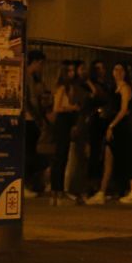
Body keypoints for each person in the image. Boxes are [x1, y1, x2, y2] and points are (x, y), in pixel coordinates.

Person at [88, 62, 132, 204]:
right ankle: (102, 192)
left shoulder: (124, 88)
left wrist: (112, 125)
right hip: (115, 126)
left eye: (120, 69)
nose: (117, 72)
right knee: (108, 159)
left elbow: (123, 109)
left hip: (121, 127)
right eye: (115, 69)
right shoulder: (114, 88)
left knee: (125, 158)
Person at [49, 60, 84, 203]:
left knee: (63, 157)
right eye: (69, 71)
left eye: (73, 70)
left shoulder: (70, 87)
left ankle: (59, 190)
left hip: (67, 121)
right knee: (60, 157)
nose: (72, 73)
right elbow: (57, 108)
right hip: (62, 121)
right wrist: (72, 108)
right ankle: (56, 191)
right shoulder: (62, 87)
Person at [23, 49, 51, 197]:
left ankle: (29, 184)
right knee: (29, 153)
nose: (42, 67)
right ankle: (26, 184)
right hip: (29, 119)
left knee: (30, 152)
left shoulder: (31, 77)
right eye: (41, 64)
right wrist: (39, 117)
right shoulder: (28, 77)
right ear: (37, 62)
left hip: (29, 118)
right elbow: (31, 100)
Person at [85, 60, 113, 193]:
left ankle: (101, 183)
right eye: (98, 68)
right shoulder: (92, 85)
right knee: (95, 152)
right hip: (95, 120)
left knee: (103, 152)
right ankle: (92, 184)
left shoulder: (107, 85)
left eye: (102, 68)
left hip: (105, 119)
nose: (101, 71)